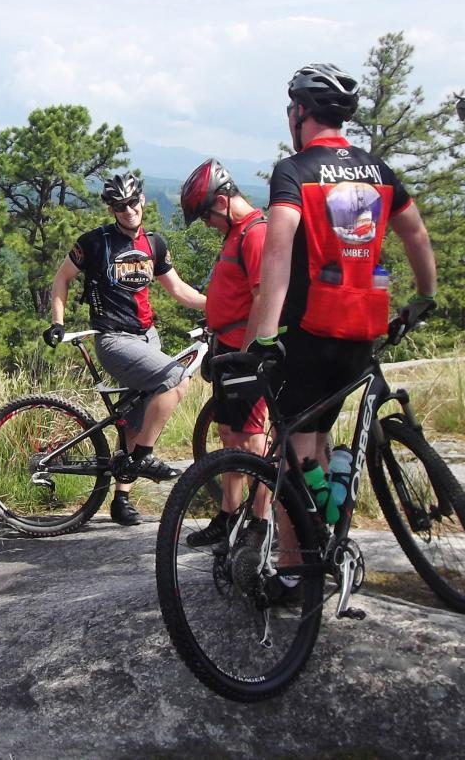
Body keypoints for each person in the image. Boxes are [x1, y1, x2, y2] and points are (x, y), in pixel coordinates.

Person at [248, 62, 438, 596]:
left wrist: (263, 338)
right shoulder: (378, 171)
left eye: (291, 109)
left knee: (288, 445)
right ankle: (331, 531)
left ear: (300, 113)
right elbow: (417, 237)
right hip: (366, 326)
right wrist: (424, 298)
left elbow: (279, 251)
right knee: (324, 432)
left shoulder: (294, 170)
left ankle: (293, 569)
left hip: (310, 329)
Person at [43, 172, 207, 526]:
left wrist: (222, 306)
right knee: (177, 380)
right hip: (115, 340)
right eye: (120, 206)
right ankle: (144, 457)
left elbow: (180, 291)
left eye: (133, 202)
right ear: (111, 208)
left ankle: (121, 499)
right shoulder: (95, 242)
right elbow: (61, 278)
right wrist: (57, 322)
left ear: (142, 200)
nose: (129, 210)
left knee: (135, 419)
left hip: (148, 338)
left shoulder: (154, 244)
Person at [178, 158, 269, 547]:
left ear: (220, 202)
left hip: (245, 356)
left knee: (252, 440)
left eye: (204, 216)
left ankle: (259, 523)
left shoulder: (255, 234)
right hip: (228, 351)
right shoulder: (237, 233)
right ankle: (229, 517)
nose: (206, 224)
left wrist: (248, 356)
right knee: (230, 435)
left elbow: (262, 299)